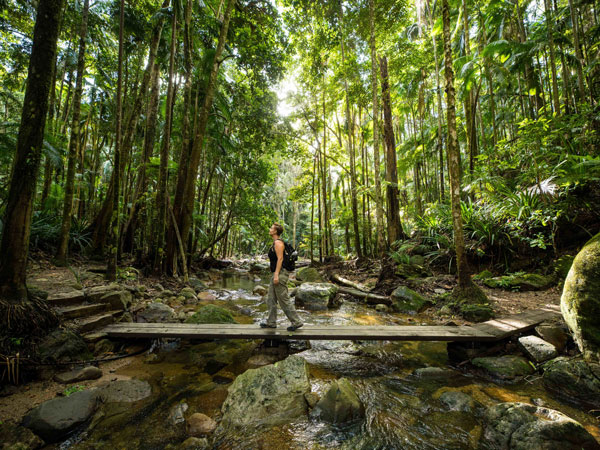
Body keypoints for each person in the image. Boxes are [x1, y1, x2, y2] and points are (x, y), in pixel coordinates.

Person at [260, 223, 303, 332]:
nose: (269, 229)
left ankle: (296, 321)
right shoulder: (275, 243)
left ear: (275, 231)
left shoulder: (278, 243)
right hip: (276, 273)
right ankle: (271, 322)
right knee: (271, 299)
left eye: (271, 228)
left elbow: (280, 259)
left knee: (283, 299)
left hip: (280, 274)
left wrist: (276, 275)